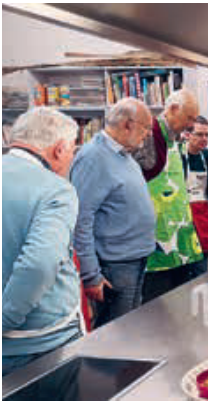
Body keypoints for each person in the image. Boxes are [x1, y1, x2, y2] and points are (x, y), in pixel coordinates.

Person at [2, 108, 82, 375]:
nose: (72, 157)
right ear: (59, 149)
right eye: (72, 149)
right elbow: (39, 265)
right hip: (41, 344)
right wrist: (4, 320)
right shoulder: (55, 189)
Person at [70, 98, 155, 328]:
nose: (148, 134)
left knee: (129, 330)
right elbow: (80, 219)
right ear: (128, 124)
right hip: (114, 266)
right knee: (115, 335)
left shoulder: (124, 155)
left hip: (135, 259)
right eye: (146, 127)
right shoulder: (93, 157)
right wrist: (90, 275)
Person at [131, 89, 204, 302]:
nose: (191, 125)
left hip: (180, 239)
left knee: (181, 305)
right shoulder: (149, 135)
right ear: (172, 109)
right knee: (157, 309)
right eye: (189, 118)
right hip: (157, 240)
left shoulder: (176, 139)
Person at [180, 115, 208, 278]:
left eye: (207, 135)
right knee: (183, 270)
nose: (204, 139)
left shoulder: (207, 156)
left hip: (203, 215)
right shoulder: (177, 155)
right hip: (182, 216)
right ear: (188, 134)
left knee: (201, 270)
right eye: (199, 134)